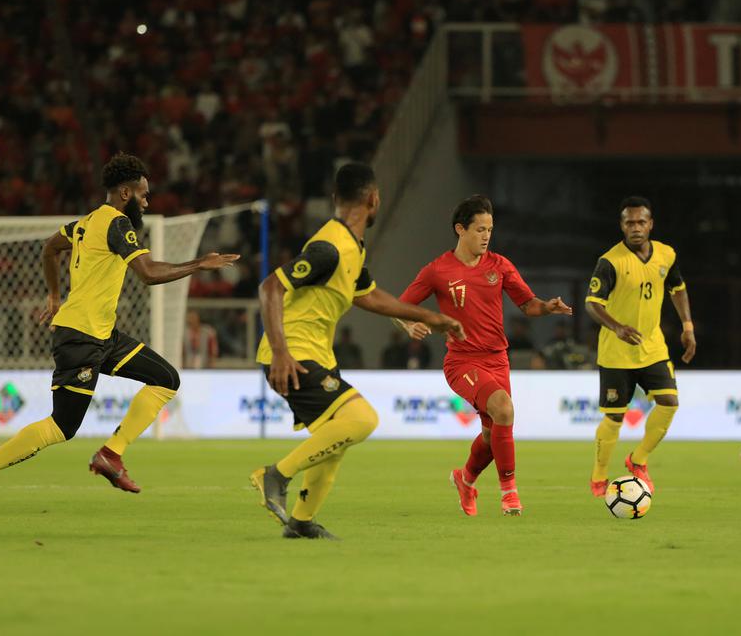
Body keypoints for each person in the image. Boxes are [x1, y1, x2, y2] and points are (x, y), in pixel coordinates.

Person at [0, 153, 240, 514]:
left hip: (102, 335)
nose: (147, 201)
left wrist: (55, 295)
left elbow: (50, 248)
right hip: (80, 337)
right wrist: (199, 264)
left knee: (166, 379)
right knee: (61, 426)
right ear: (124, 193)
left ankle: (110, 454)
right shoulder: (118, 224)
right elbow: (148, 273)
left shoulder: (85, 223)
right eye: (143, 194)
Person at [250, 163, 464, 539]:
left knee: (335, 437)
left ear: (336, 199)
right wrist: (282, 352)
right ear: (373, 199)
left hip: (311, 354)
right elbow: (270, 287)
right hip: (294, 355)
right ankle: (275, 475)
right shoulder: (329, 249)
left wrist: (433, 317)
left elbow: (371, 297)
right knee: (363, 419)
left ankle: (300, 522)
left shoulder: (352, 247)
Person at [398, 194, 572, 516]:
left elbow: (528, 304)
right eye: (480, 229)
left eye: (490, 229)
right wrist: (409, 325)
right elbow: (401, 305)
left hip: (497, 358)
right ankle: (510, 493)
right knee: (504, 408)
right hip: (462, 361)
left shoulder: (500, 265)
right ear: (460, 230)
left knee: (493, 435)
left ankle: (465, 480)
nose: (486, 236)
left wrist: (546, 307)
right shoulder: (438, 270)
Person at [584, 196, 695, 497]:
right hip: (617, 353)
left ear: (650, 224)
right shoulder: (610, 262)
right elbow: (592, 304)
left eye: (641, 222)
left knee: (669, 403)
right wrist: (617, 327)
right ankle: (600, 473)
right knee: (615, 417)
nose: (636, 227)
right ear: (622, 226)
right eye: (629, 222)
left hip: (652, 347)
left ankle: (638, 460)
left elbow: (678, 288)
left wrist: (687, 326)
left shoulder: (666, 254)